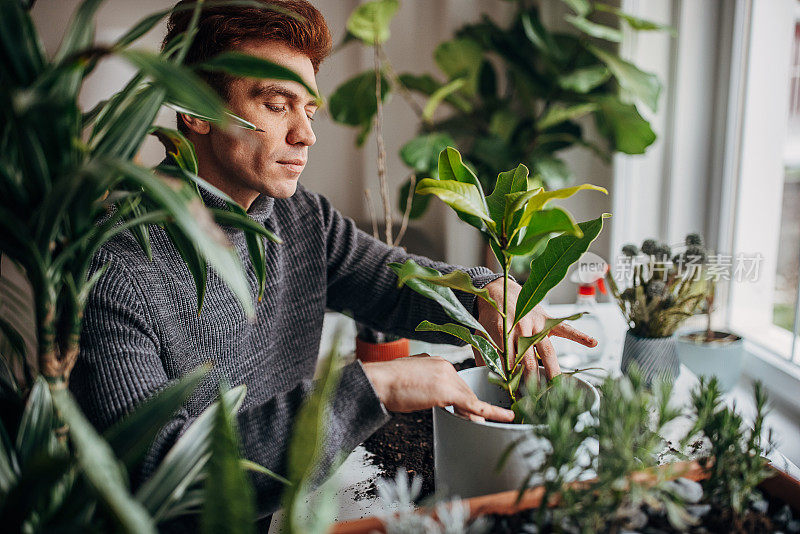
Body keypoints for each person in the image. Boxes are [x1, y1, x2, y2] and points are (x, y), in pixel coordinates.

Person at [71, 0, 597, 526]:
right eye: (277, 104)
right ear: (195, 110)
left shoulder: (300, 217)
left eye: (309, 108)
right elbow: (159, 477)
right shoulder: (118, 263)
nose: (306, 134)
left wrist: (487, 293)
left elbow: (397, 284)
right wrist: (375, 386)